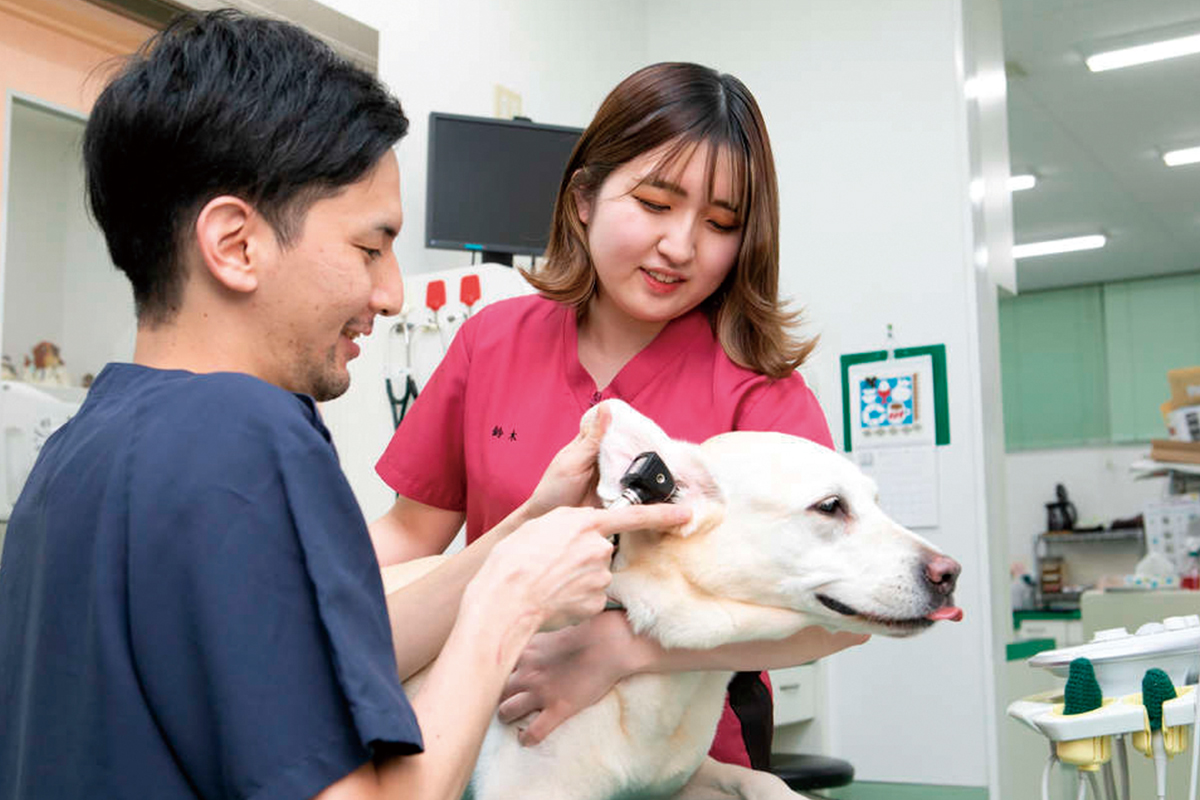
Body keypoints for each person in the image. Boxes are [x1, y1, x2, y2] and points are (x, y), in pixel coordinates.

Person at [0, 12, 690, 800]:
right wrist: (511, 603)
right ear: (234, 244)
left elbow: (309, 664)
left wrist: (521, 532)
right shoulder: (250, 435)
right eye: (370, 248)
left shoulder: (77, 450)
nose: (392, 293)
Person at [372, 62, 868, 772]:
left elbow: (841, 618)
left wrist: (617, 649)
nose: (682, 246)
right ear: (583, 198)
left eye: (720, 222)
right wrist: (287, 598)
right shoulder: (492, 341)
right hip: (498, 743)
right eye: (657, 204)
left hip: (683, 765)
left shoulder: (759, 391)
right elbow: (408, 534)